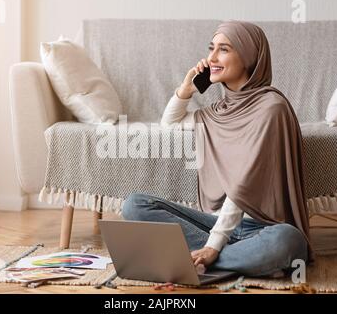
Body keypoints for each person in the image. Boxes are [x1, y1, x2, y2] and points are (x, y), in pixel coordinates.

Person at [121, 20, 313, 278]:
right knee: (136, 204)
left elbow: (242, 185)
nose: (211, 57)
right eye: (211, 48)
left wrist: (213, 246)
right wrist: (186, 88)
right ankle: (235, 260)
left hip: (264, 228)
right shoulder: (219, 112)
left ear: (247, 56)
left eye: (223, 49)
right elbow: (170, 125)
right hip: (215, 224)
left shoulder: (271, 108)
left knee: (287, 241)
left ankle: (198, 259)